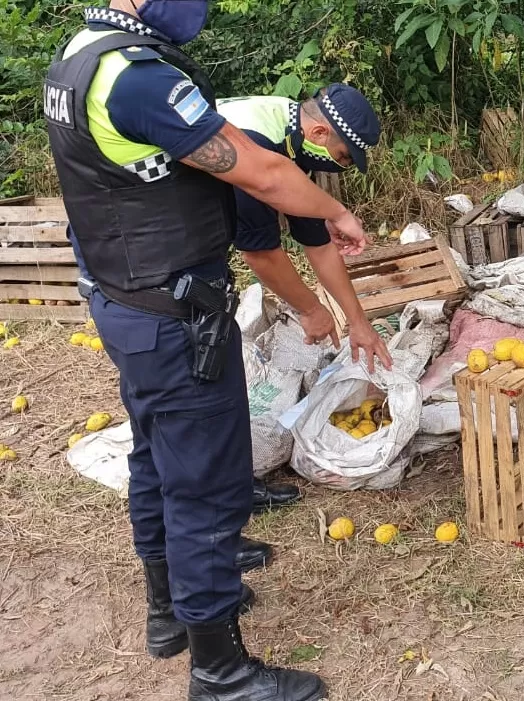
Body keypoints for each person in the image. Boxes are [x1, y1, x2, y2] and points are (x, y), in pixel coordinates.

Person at [44, 1, 370, 698]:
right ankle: (219, 669)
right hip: (172, 316)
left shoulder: (81, 57)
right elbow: (258, 173)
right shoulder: (134, 78)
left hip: (128, 299)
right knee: (207, 487)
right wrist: (337, 210)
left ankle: (169, 613)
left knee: (156, 456)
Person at [215, 88, 392, 372]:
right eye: (344, 156)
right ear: (320, 133)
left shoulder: (292, 133)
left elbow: (319, 245)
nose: (343, 166)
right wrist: (310, 310)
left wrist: (358, 322)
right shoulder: (256, 141)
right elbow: (261, 255)